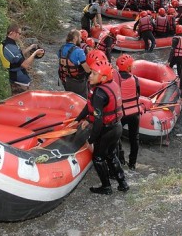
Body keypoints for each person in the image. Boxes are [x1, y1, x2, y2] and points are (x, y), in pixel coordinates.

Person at [74, 60, 129, 194]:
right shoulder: (112, 85)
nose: (89, 76)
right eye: (91, 73)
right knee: (111, 155)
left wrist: (92, 139)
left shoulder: (99, 93)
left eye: (93, 74)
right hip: (117, 127)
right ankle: (123, 183)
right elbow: (89, 106)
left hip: (106, 130)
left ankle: (106, 187)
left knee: (98, 158)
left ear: (103, 77)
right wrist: (79, 118)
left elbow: (98, 121)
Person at [0, 23, 44, 96]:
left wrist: (30, 48)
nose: (20, 35)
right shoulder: (9, 47)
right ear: (12, 33)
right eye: (19, 33)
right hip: (18, 80)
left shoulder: (11, 43)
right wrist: (35, 53)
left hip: (21, 77)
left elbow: (19, 54)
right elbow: (25, 65)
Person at [114, 54, 141, 170]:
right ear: (129, 67)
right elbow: (138, 94)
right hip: (134, 114)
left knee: (116, 137)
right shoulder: (135, 79)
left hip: (122, 114)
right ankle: (132, 163)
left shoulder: (115, 80)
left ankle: (121, 159)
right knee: (134, 138)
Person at [58, 29, 91, 98]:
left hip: (66, 80)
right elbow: (87, 70)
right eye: (79, 37)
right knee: (81, 100)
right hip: (78, 81)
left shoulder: (61, 49)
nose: (81, 39)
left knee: (69, 98)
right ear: (75, 38)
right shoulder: (79, 51)